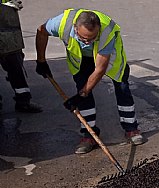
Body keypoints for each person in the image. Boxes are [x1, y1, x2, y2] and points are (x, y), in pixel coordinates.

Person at [35, 9, 147, 154]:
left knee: (122, 87)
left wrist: (81, 95)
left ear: (98, 30)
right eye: (83, 38)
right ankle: (89, 135)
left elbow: (100, 69)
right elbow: (41, 31)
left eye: (92, 38)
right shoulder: (61, 23)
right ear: (75, 28)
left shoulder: (106, 31)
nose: (87, 42)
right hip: (80, 58)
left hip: (108, 57)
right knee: (83, 89)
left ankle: (131, 129)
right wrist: (41, 60)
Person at [0, 0, 42, 113]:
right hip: (6, 29)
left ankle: (23, 100)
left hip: (7, 31)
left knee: (15, 66)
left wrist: (14, 0)